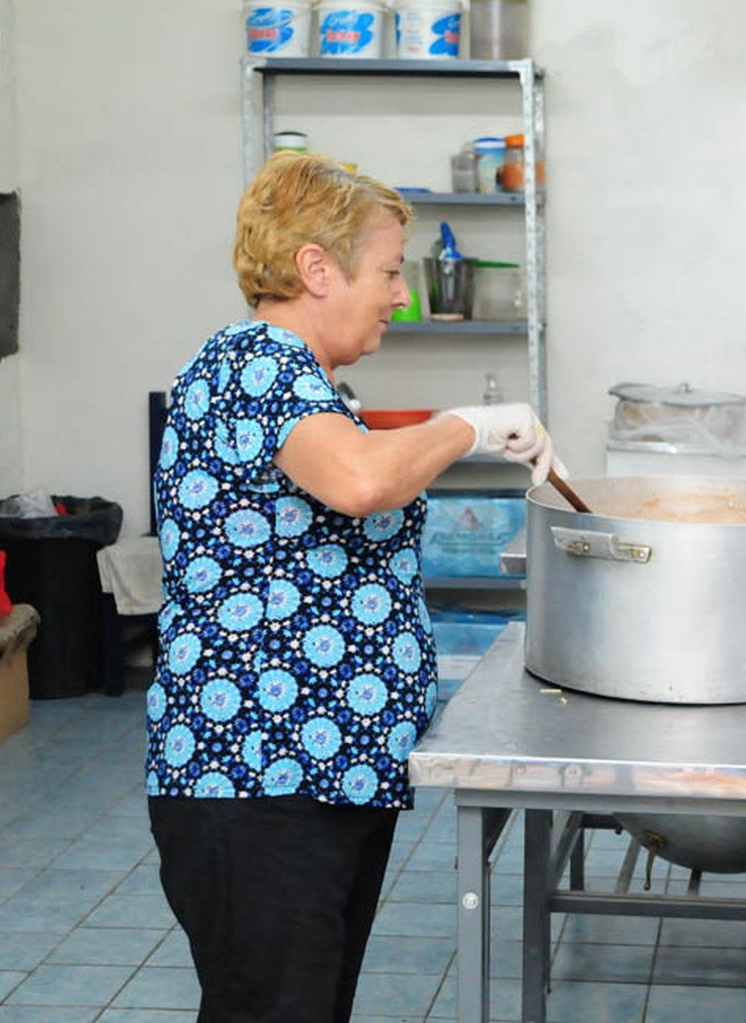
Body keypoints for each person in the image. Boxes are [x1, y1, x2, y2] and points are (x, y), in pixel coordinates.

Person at [146, 151, 562, 1023]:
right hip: (258, 782)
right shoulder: (251, 362)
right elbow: (363, 483)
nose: (400, 293)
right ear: (315, 267)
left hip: (314, 777)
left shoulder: (306, 383)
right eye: (388, 269)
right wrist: (470, 424)